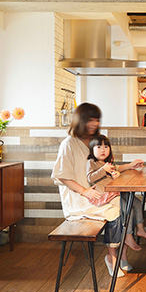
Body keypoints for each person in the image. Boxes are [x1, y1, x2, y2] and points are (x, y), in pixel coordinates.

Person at [51, 103, 131, 278]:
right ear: (80, 120)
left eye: (96, 120)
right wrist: (84, 191)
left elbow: (105, 168)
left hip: (97, 194)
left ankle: (123, 251)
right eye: (90, 120)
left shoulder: (96, 142)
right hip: (79, 199)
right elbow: (62, 176)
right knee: (117, 210)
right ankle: (112, 257)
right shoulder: (68, 144)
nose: (94, 124)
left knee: (131, 203)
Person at [87, 134, 146, 251]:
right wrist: (103, 170)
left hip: (114, 192)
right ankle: (128, 236)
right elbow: (90, 178)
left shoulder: (107, 163)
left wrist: (129, 166)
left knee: (136, 202)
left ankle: (140, 229)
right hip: (105, 195)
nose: (103, 150)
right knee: (127, 208)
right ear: (92, 150)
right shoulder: (92, 162)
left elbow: (118, 168)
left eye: (106, 147)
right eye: (99, 147)